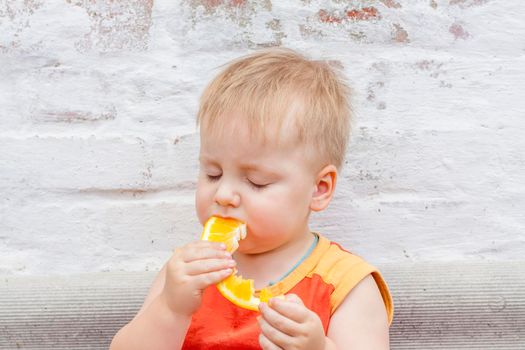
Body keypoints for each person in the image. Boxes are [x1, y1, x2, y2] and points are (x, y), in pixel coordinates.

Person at [110, 47, 394, 350]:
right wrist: (170, 308)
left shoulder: (344, 283)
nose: (223, 194)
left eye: (256, 182)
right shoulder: (187, 270)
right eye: (213, 174)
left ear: (319, 188)